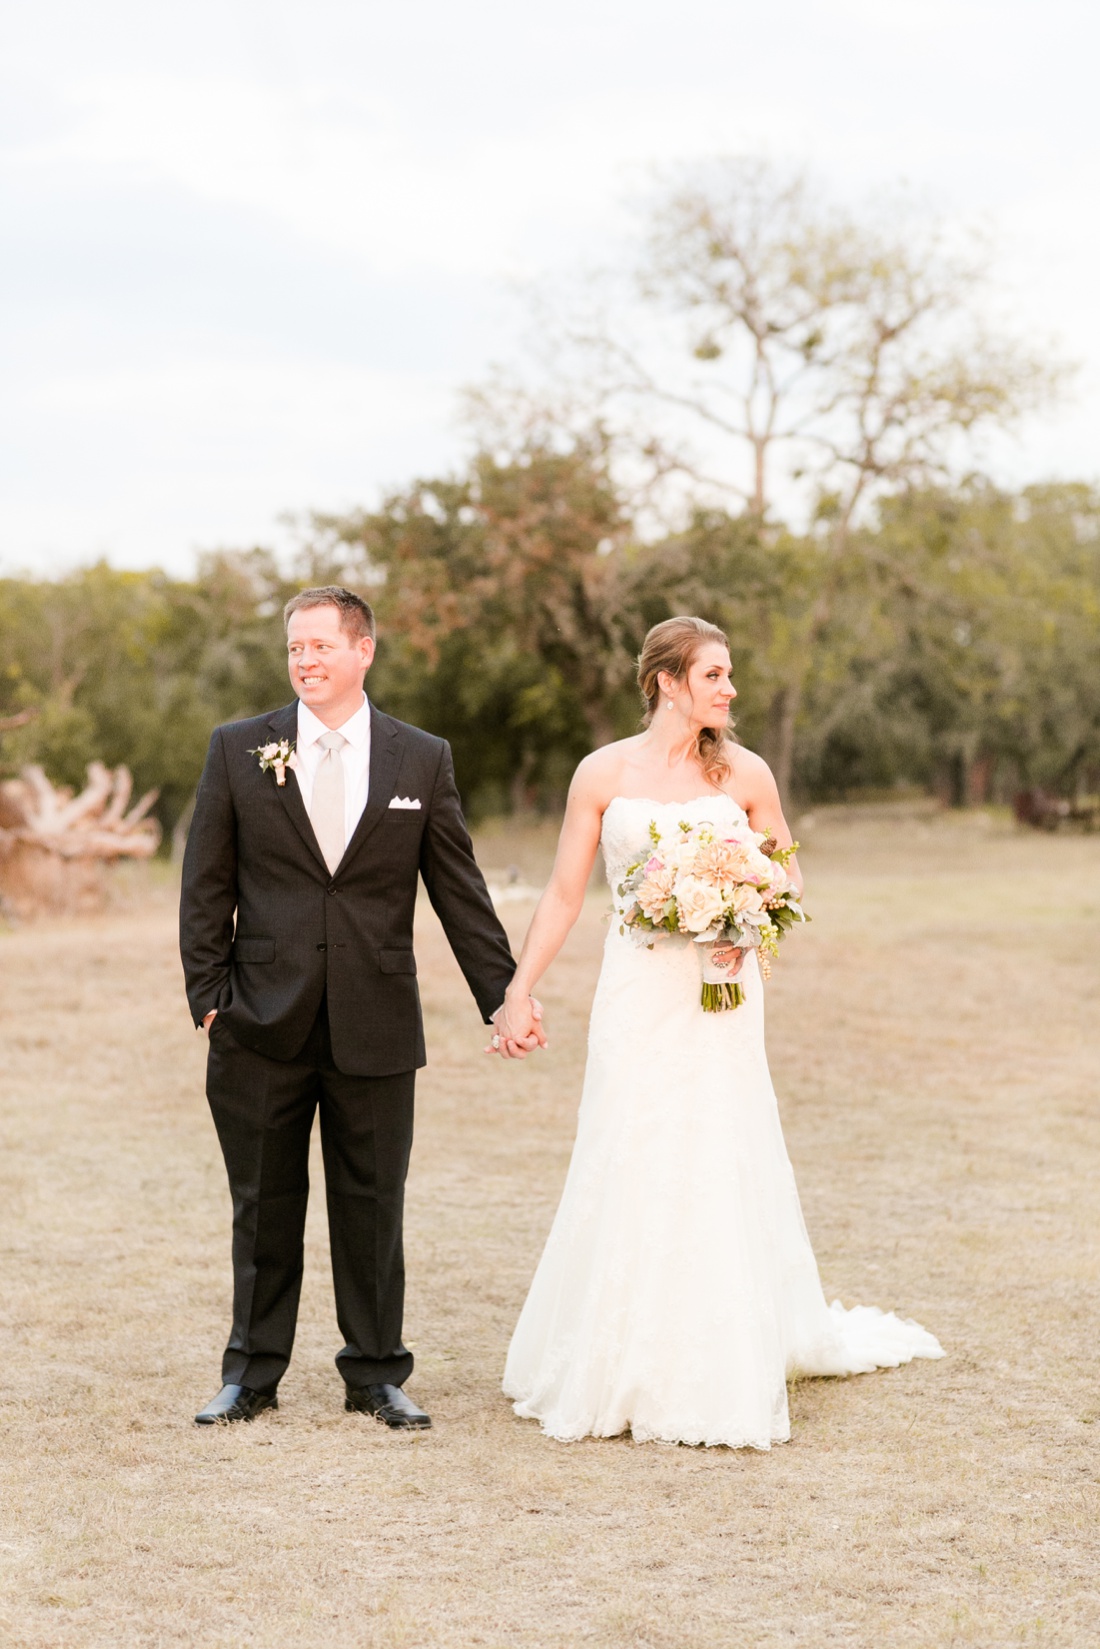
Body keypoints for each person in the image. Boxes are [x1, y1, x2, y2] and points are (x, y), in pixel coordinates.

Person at [497, 616, 943, 1447]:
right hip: (637, 988)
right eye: (715, 675)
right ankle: (619, 1352)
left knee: (715, 1149)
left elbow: (788, 872)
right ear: (667, 682)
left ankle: (718, 1349)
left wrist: (749, 914)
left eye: (730, 675)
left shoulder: (745, 771)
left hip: (722, 993)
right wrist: (520, 989)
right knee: (630, 1146)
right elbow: (563, 895)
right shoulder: (602, 772)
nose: (730, 689)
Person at [180, 586, 545, 1430]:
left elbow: (459, 890)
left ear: (364, 650)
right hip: (259, 1020)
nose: (305, 660)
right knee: (262, 1204)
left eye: (321, 646)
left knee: (374, 1203)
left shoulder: (422, 757)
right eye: (294, 648)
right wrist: (209, 999)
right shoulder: (240, 748)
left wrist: (505, 996)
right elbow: (206, 883)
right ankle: (252, 1374)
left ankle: (376, 1372)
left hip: (377, 1020)